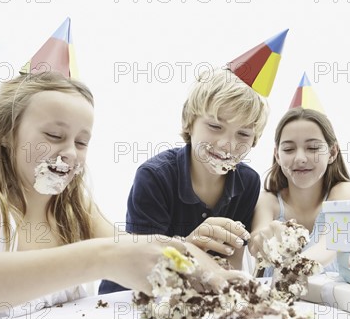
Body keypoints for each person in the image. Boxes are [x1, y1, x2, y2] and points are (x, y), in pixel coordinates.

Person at [0, 72, 238, 319]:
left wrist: (185, 251)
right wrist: (100, 257)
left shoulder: (76, 211)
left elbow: (132, 250)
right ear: (8, 135)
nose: (69, 152)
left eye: (82, 143)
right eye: (54, 135)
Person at [98, 68, 269, 294]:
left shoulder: (248, 182)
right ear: (189, 122)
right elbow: (143, 263)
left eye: (243, 134)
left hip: (199, 298)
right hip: (127, 298)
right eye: (215, 126)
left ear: (254, 140)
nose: (228, 144)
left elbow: (233, 258)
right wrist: (188, 246)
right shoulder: (155, 177)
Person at [249, 107, 350, 275]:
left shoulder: (344, 192)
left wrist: (292, 267)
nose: (300, 158)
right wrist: (262, 240)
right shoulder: (268, 201)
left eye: (313, 148)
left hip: (329, 301)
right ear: (277, 155)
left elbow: (330, 244)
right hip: (278, 300)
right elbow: (256, 243)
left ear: (332, 152)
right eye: (288, 149)